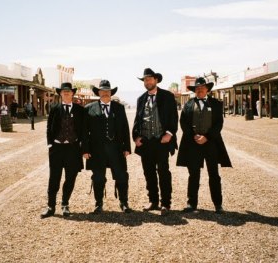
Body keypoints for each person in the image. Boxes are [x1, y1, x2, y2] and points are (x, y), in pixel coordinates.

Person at [177, 77, 232, 214]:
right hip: (193, 144)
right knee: (193, 175)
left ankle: (218, 205)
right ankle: (191, 204)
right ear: (194, 90)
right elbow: (183, 123)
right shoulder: (188, 104)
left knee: (214, 174)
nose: (199, 90)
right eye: (197, 88)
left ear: (207, 89)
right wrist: (193, 136)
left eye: (202, 87)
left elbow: (219, 124)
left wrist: (207, 137)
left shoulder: (216, 104)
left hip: (211, 144)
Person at [132, 68, 178, 215]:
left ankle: (166, 203)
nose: (147, 82)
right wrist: (136, 137)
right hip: (146, 142)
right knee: (148, 172)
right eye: (145, 80)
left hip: (161, 141)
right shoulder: (141, 99)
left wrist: (169, 134)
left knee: (163, 172)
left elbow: (173, 117)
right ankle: (153, 201)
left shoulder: (167, 96)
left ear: (156, 80)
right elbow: (137, 120)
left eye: (150, 79)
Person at [82, 80, 132, 214]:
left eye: (107, 91)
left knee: (122, 176)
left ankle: (124, 202)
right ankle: (98, 204)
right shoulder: (89, 108)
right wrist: (85, 149)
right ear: (98, 93)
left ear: (111, 93)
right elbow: (84, 131)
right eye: (102, 91)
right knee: (98, 177)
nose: (105, 93)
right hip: (96, 150)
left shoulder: (119, 108)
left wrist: (127, 147)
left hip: (116, 149)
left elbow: (125, 129)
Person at [41, 83, 86, 218]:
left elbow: (83, 131)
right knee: (54, 178)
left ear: (72, 93)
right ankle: (51, 206)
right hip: (56, 148)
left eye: (68, 91)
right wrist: (50, 144)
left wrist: (83, 148)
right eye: (64, 92)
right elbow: (49, 127)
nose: (66, 93)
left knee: (70, 177)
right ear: (60, 94)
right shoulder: (54, 108)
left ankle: (65, 204)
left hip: (72, 148)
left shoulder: (79, 110)